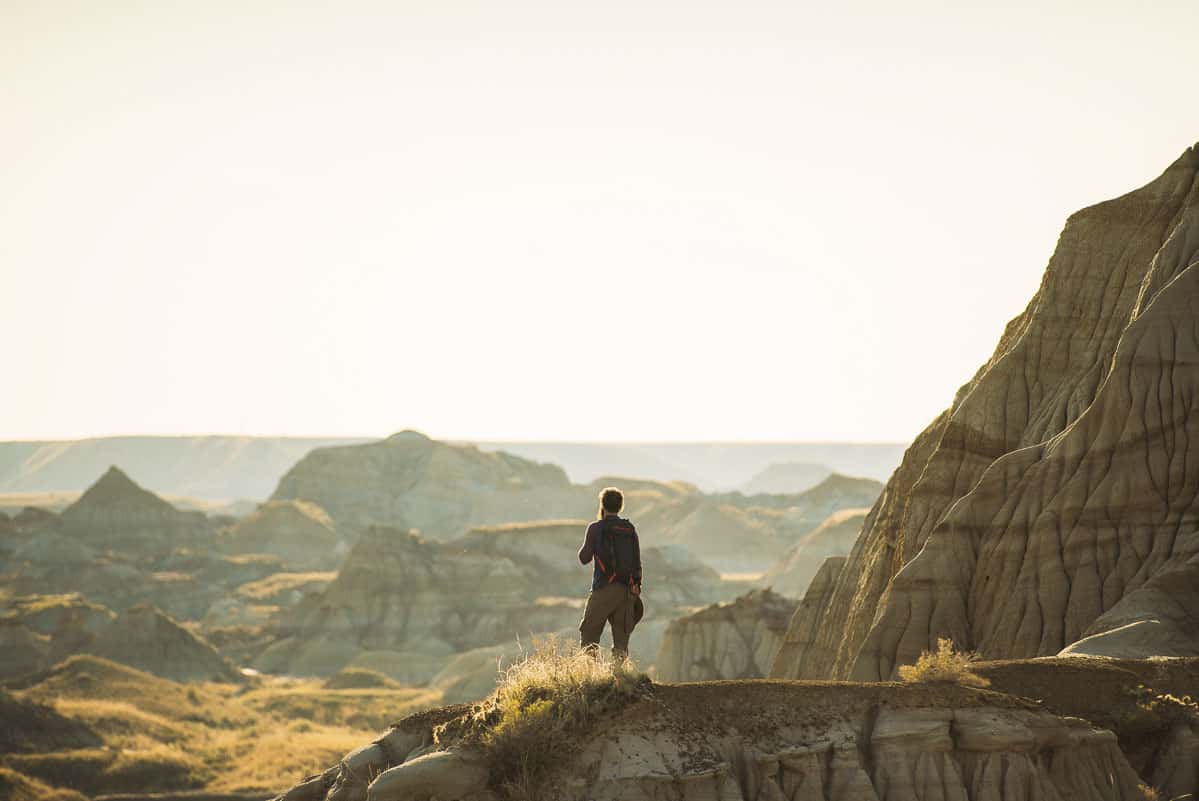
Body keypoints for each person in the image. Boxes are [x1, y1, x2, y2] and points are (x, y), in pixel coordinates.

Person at [577, 486, 642, 660]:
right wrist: (637, 586)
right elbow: (637, 559)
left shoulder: (596, 528)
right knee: (621, 641)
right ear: (620, 506)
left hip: (604, 588)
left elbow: (584, 558)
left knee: (589, 634)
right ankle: (621, 678)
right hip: (627, 589)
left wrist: (589, 539)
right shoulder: (629, 529)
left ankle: (590, 675)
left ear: (602, 505)